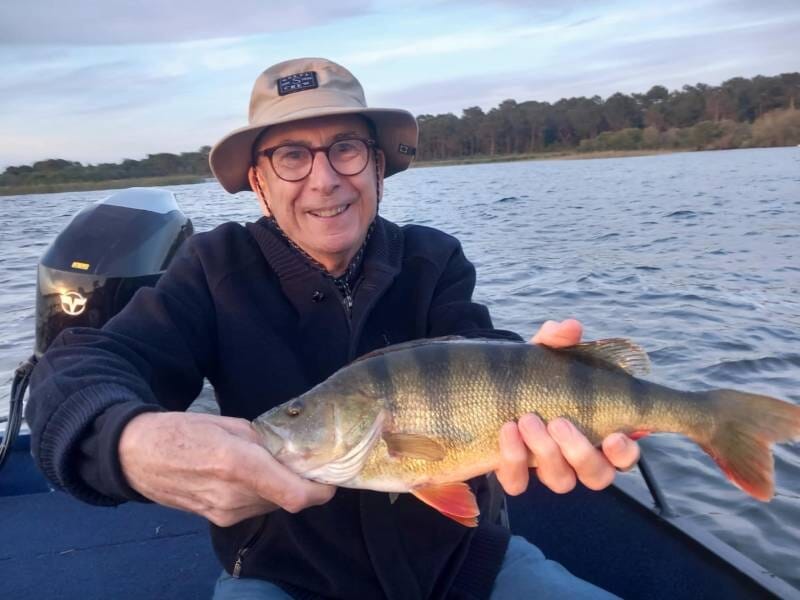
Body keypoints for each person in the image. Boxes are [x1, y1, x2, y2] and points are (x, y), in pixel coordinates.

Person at [26, 58, 639, 599]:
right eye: (291, 155)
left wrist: (544, 373)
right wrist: (127, 441)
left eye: (345, 148)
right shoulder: (214, 271)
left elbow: (476, 352)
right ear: (260, 182)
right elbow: (83, 364)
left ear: (376, 165)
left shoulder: (433, 259)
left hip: (461, 561)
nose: (324, 180)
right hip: (283, 577)